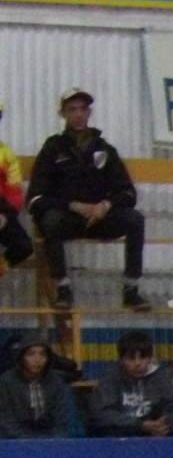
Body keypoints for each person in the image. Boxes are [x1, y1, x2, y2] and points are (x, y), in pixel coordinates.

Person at [26, 87, 149, 311]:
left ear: (89, 112)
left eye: (82, 109)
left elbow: (128, 193)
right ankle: (63, 289)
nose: (78, 114)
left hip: (101, 219)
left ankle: (131, 290)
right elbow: (34, 199)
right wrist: (72, 206)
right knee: (51, 220)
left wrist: (105, 205)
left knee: (135, 219)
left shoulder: (105, 149)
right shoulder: (52, 148)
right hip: (68, 220)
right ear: (63, 114)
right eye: (72, 109)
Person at [88, 329, 173, 437]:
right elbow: (103, 414)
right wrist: (140, 425)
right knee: (105, 431)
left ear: (150, 358)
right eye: (131, 358)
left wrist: (166, 421)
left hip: (154, 428)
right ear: (121, 360)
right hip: (125, 429)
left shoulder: (160, 376)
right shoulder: (111, 376)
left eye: (143, 357)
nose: (137, 363)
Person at [0, 334, 75, 439]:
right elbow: (5, 419)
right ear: (21, 357)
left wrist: (51, 440)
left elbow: (60, 420)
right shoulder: (6, 381)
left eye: (43, 354)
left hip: (50, 440)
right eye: (31, 354)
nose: (37, 359)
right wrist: (28, 440)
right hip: (14, 440)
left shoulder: (55, 381)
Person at [0, 101, 33, 279]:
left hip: (1, 208)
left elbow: (14, 193)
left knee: (23, 246)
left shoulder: (6, 154)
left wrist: (5, 215)